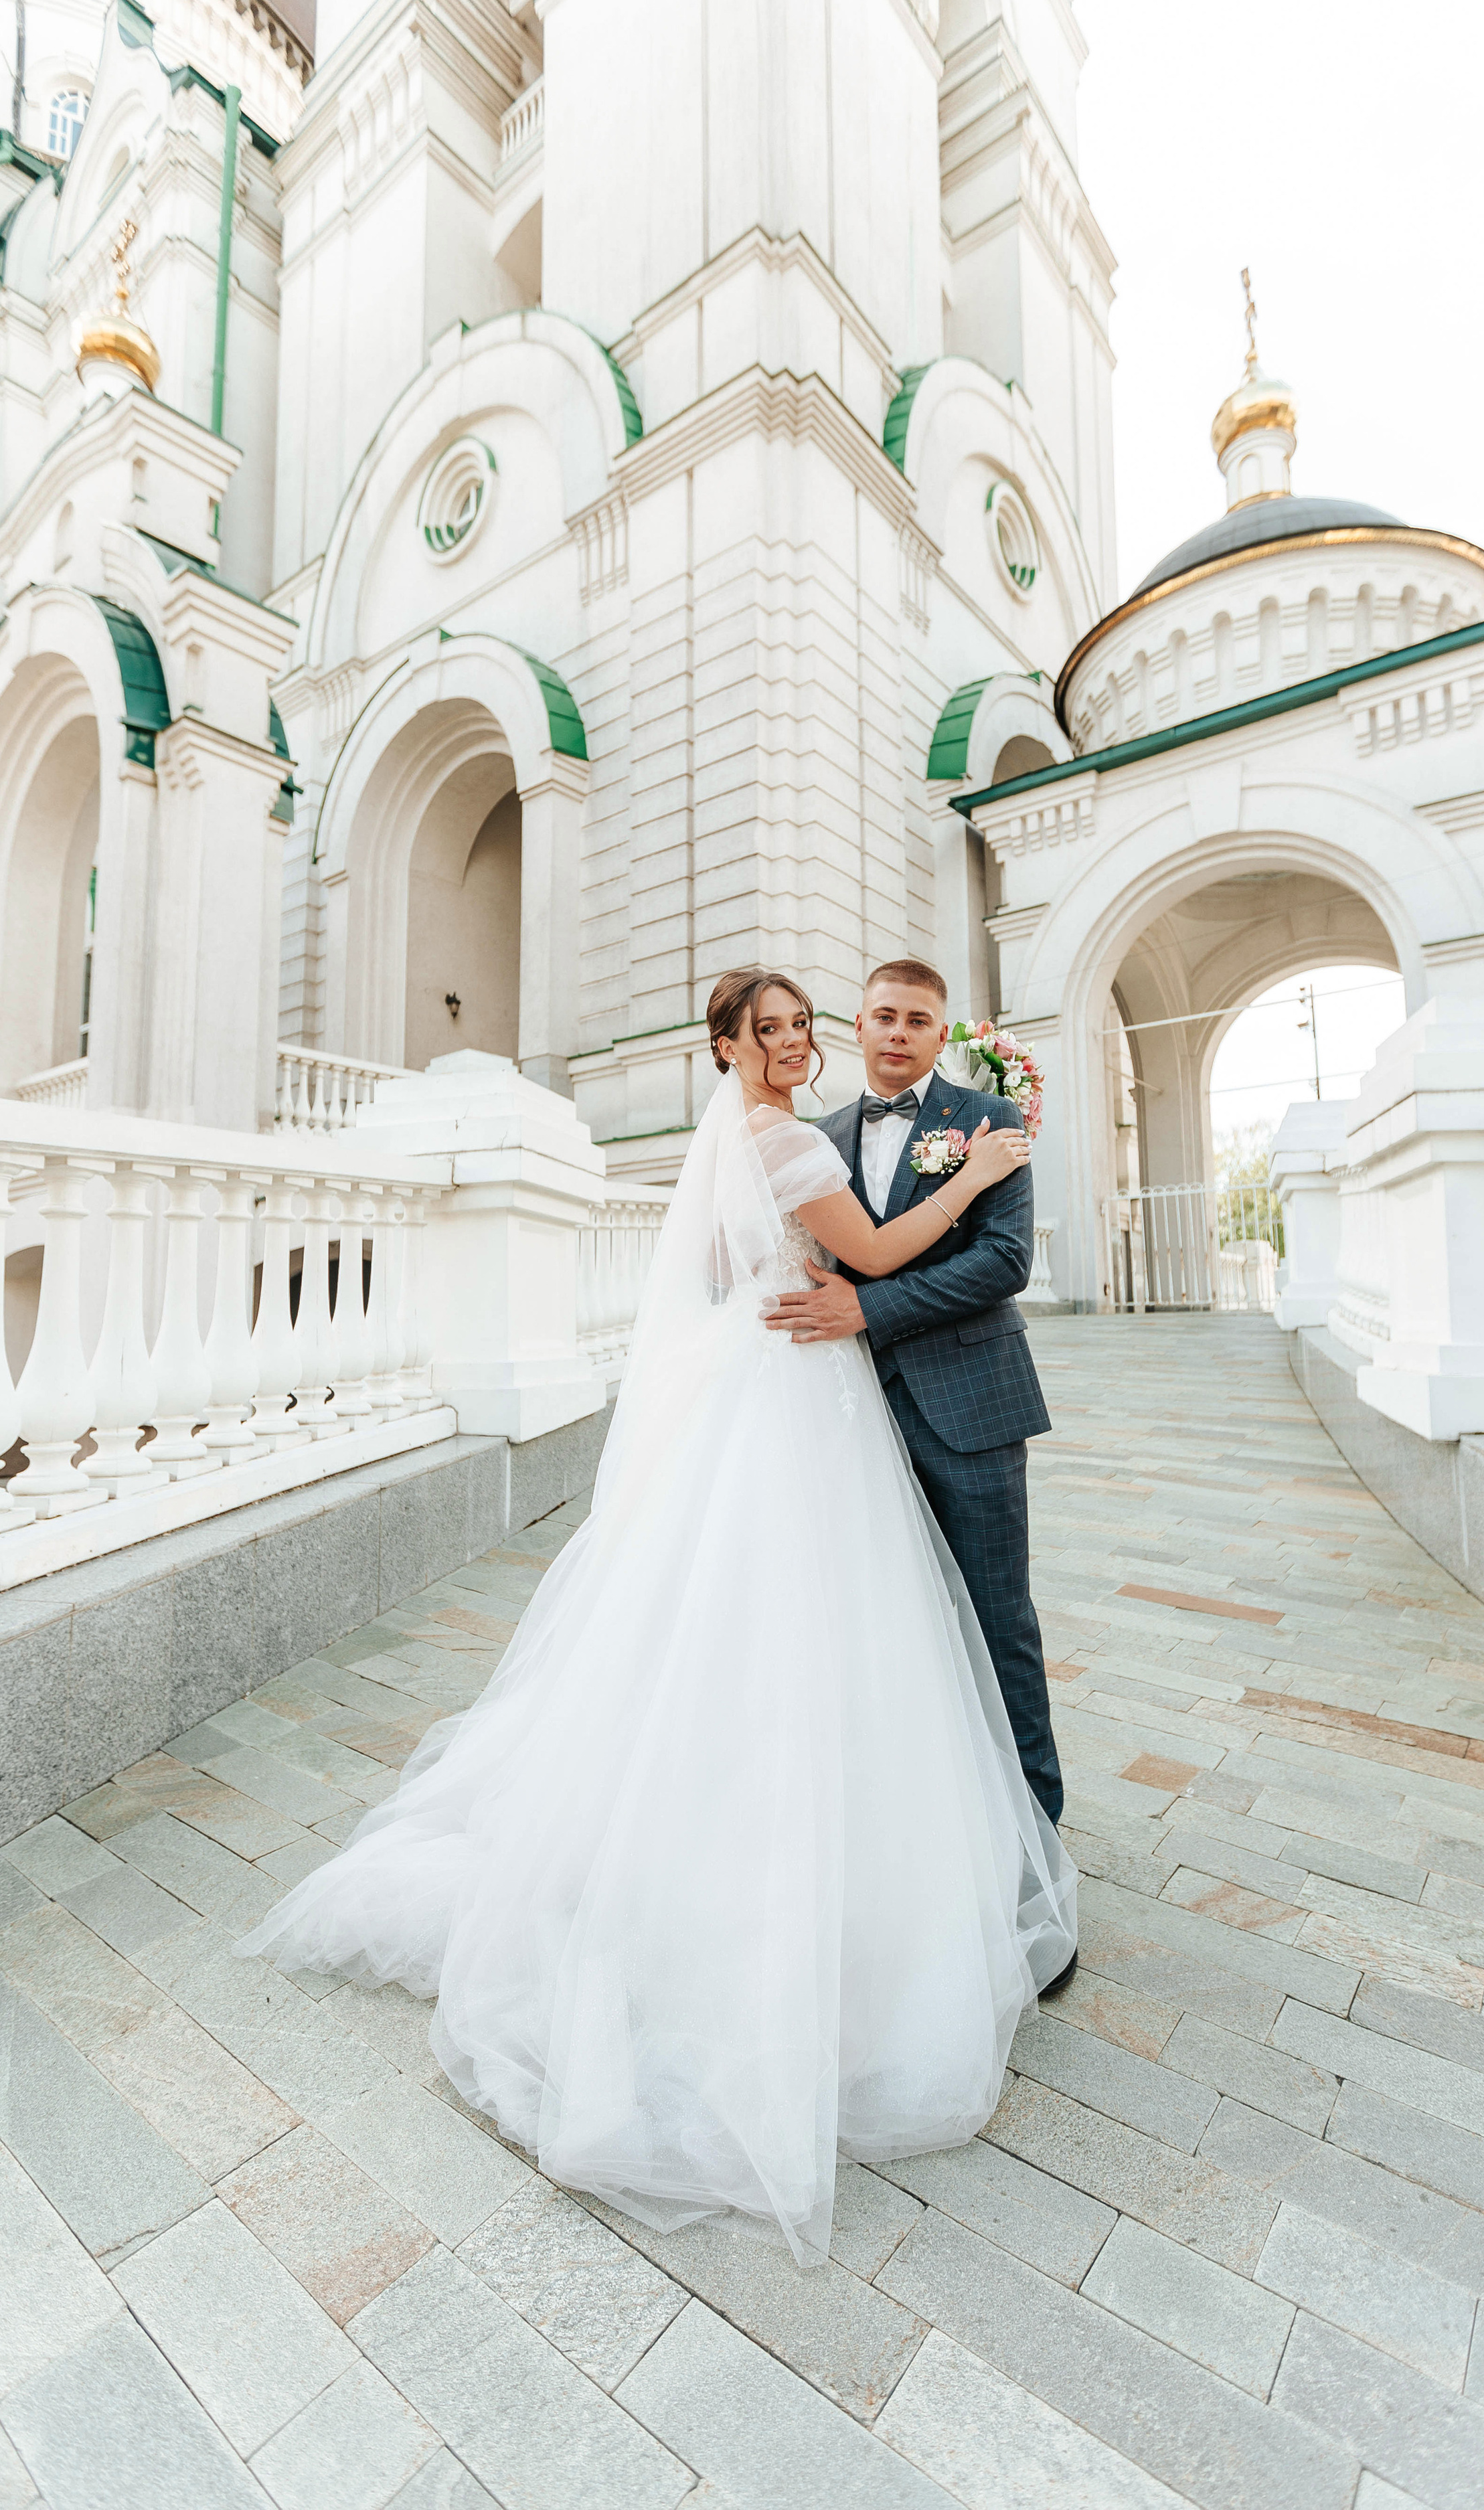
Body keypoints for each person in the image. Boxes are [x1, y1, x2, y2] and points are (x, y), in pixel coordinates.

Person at [236, 967, 1076, 2268]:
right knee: (808, 1626)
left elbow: (729, 1279)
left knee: (890, 1629)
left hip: (802, 1380)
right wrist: (958, 1188)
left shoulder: (794, 1133)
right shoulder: (797, 1134)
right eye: (778, 1029)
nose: (802, 1043)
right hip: (805, 1392)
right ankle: (817, 1861)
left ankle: (980, 1830)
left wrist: (927, 1217)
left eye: (811, 1027)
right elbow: (864, 1255)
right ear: (730, 1046)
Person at [764, 958, 1064, 1831]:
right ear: (856, 1028)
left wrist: (868, 1306)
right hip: (852, 1413)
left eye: (918, 1020)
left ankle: (1033, 1837)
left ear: (943, 1034)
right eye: (884, 1016)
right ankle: (927, 1833)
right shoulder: (812, 1136)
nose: (898, 1033)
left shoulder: (989, 1121)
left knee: (998, 1620)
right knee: (887, 1625)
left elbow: (1005, 1261)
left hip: (971, 1405)